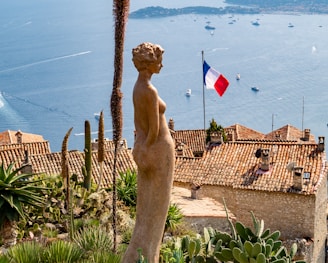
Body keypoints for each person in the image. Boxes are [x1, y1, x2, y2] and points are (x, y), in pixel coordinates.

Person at [122, 42, 175, 263]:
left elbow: (138, 123)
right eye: (159, 61)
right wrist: (150, 146)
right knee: (157, 212)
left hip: (143, 148)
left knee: (146, 210)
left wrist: (141, 147)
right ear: (149, 63)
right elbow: (154, 127)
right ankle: (148, 257)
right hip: (159, 149)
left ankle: (136, 257)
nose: (162, 65)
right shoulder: (150, 91)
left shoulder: (137, 87)